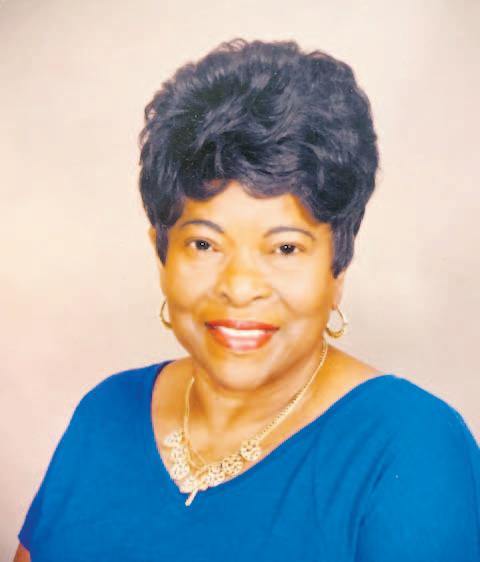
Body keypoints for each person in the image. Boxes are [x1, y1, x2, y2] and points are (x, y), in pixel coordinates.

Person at [14, 38, 479, 562]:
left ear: (338, 267)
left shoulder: (412, 447)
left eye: (285, 248)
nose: (239, 288)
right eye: (204, 244)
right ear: (162, 256)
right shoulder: (105, 413)